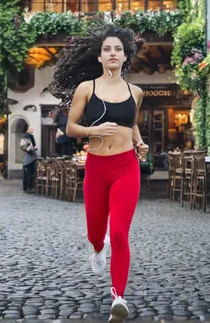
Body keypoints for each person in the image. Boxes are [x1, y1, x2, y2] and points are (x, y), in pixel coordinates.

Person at [49, 25, 149, 323]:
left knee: (119, 233)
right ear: (100, 56)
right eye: (107, 49)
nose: (113, 53)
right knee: (96, 231)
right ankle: (96, 248)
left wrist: (139, 142)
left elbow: (130, 124)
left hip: (126, 168)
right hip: (97, 167)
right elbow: (70, 128)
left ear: (125, 55)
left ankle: (118, 296)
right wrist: (94, 130)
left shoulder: (136, 92)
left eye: (118, 49)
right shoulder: (87, 88)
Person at [20, 127, 38, 192]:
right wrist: (29, 150)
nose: (32, 130)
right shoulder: (25, 137)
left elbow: (34, 145)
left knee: (32, 174)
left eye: (33, 129)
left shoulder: (31, 136)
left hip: (33, 158)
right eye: (31, 129)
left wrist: (35, 148)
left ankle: (31, 187)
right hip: (27, 159)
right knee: (27, 174)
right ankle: (26, 187)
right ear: (28, 129)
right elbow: (22, 146)